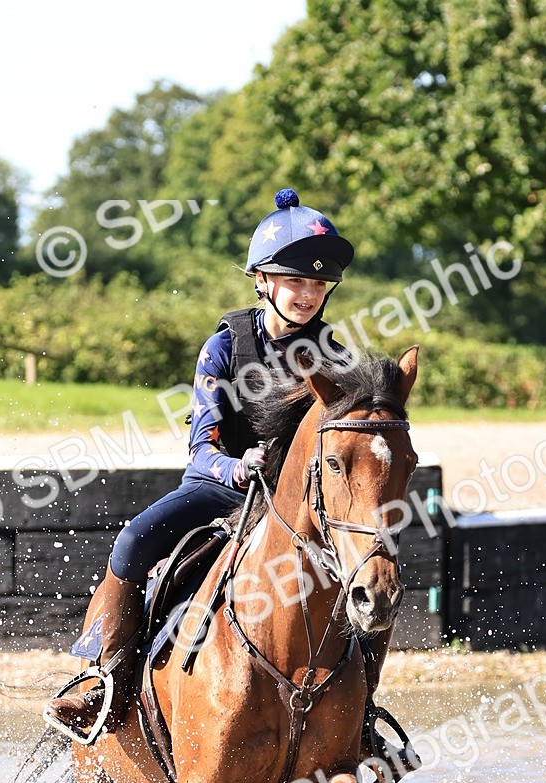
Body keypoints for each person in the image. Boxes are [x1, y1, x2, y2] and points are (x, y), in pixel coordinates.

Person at [45, 188, 354, 740]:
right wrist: (237, 468)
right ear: (263, 280)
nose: (308, 294)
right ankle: (106, 681)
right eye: (295, 280)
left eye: (317, 283)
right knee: (134, 541)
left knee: (374, 571)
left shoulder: (335, 356)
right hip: (223, 489)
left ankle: (362, 714)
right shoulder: (223, 348)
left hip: (301, 507)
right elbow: (203, 449)